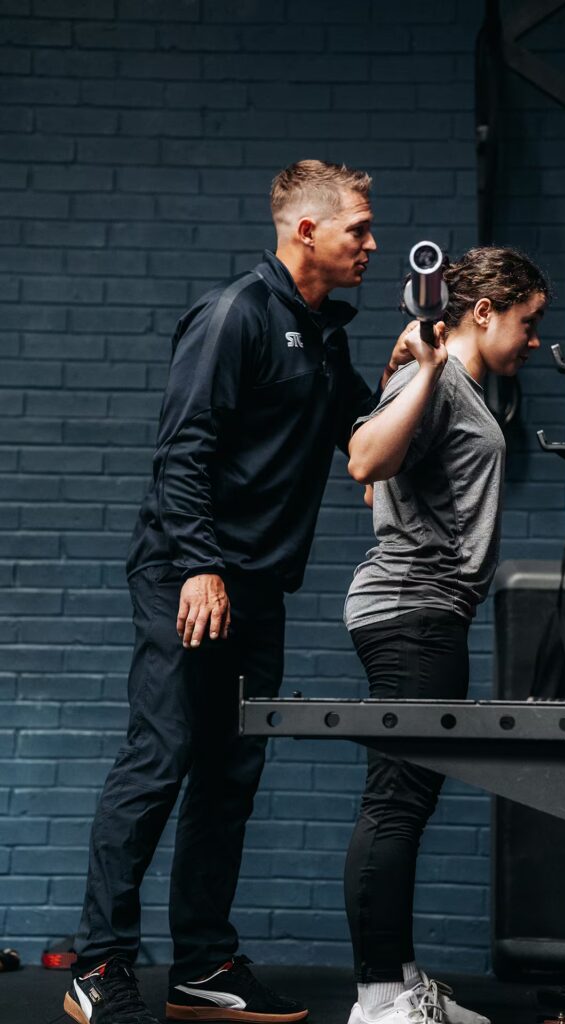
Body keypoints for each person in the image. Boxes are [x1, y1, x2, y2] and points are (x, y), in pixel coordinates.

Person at [64, 160, 414, 1024]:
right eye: (357, 230)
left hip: (256, 588)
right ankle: (98, 967)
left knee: (229, 775)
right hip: (190, 575)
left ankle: (202, 964)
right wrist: (198, 565)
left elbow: (363, 447)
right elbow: (180, 452)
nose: (372, 244)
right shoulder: (235, 317)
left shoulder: (322, 333)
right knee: (159, 761)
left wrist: (412, 368)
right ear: (306, 232)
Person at [342, 247, 550, 1024]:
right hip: (410, 610)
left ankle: (399, 981)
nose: (533, 339)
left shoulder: (450, 384)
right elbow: (364, 461)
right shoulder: (433, 378)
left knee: (409, 799)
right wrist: (420, 369)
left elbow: (386, 481)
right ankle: (379, 998)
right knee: (395, 801)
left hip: (431, 608)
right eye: (527, 322)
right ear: (484, 310)